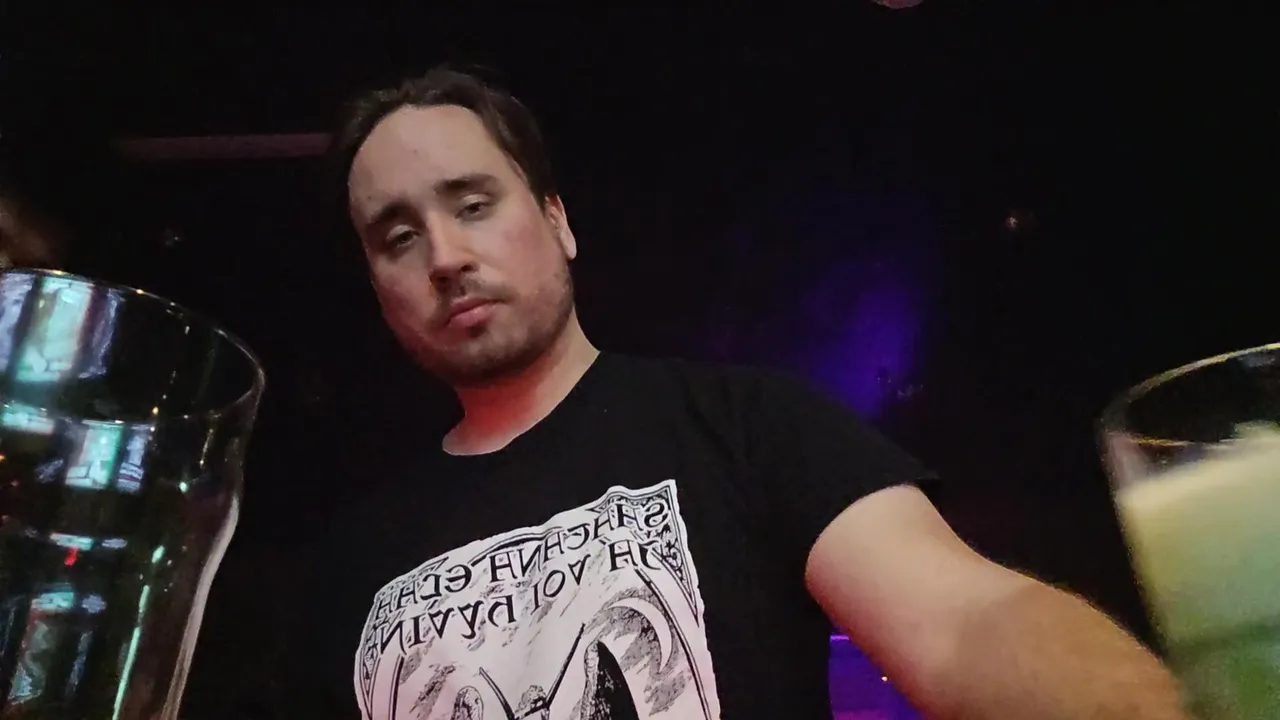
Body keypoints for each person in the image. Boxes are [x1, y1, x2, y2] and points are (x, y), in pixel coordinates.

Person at [326, 67, 1185, 719]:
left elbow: (962, 622)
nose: (445, 256)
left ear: (558, 221)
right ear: (376, 287)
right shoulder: (350, 562)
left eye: (473, 205)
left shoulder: (747, 426)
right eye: (398, 237)